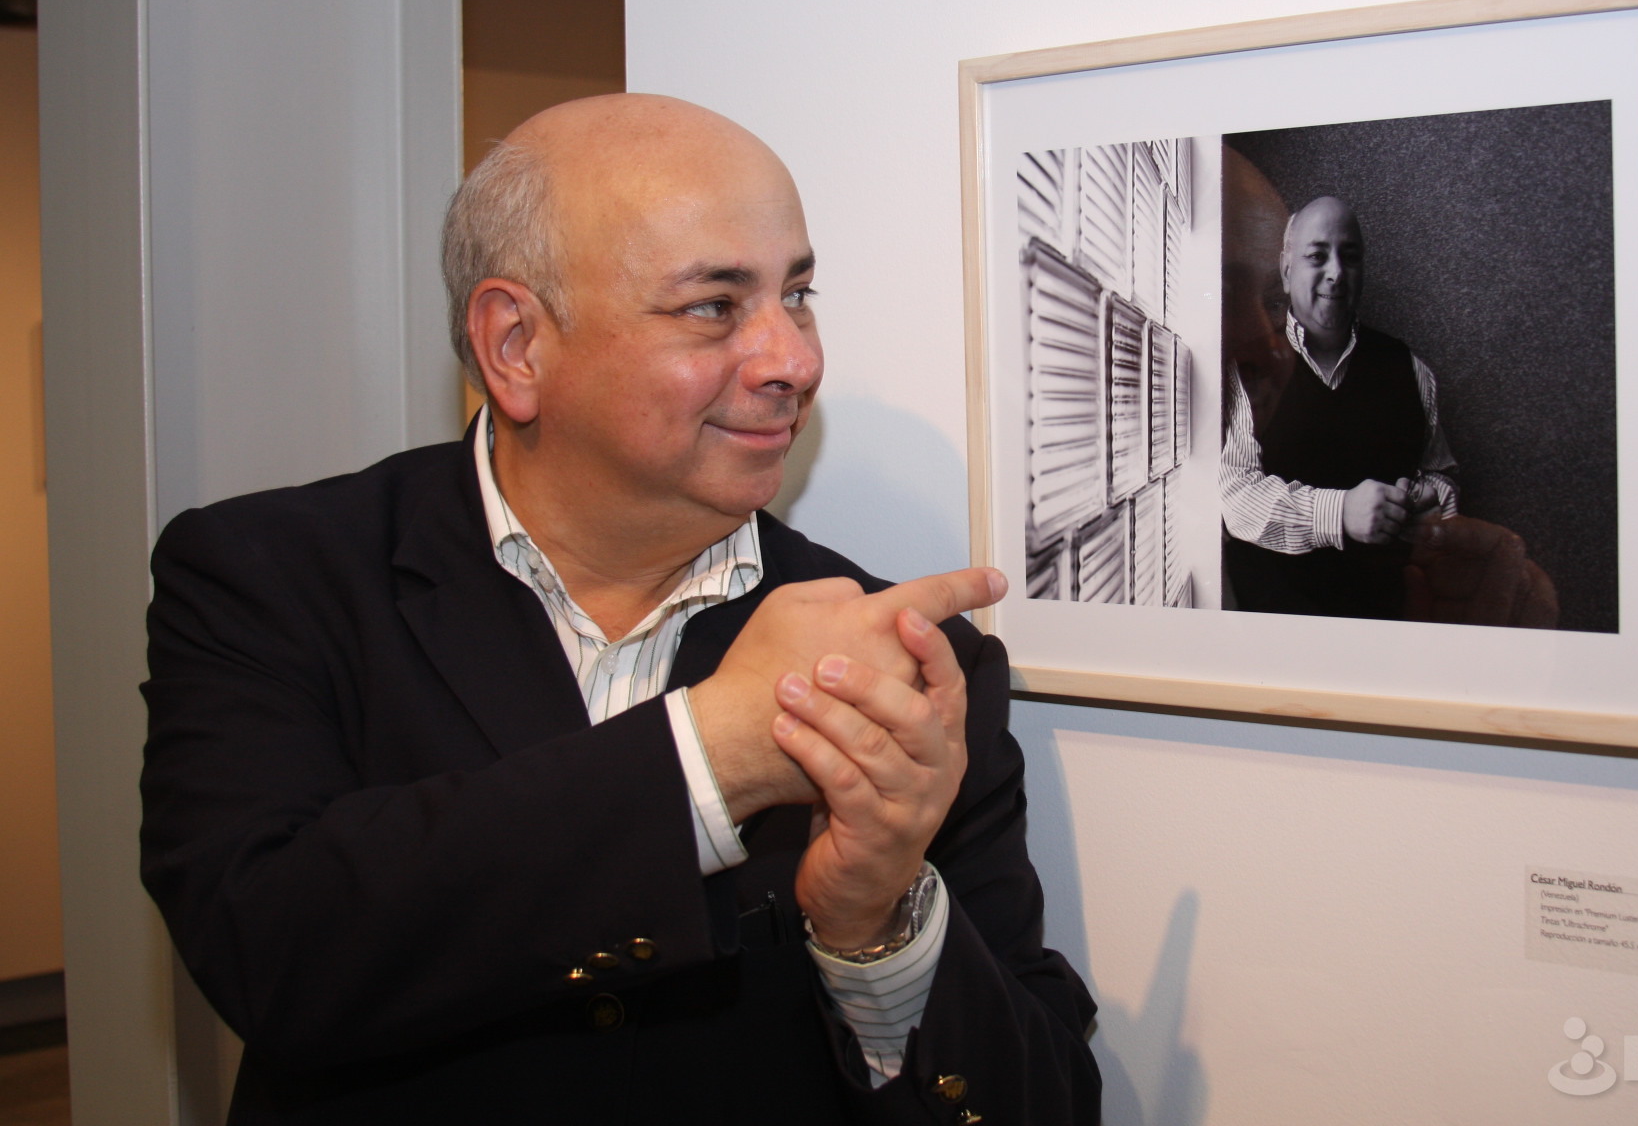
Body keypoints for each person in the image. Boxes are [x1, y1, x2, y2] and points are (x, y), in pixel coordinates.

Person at [139, 95, 1100, 1125]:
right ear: (516, 344)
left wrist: (877, 929)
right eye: (714, 306)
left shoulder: (906, 661)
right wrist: (710, 756)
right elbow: (271, 948)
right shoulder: (276, 576)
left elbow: (1037, 1105)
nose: (794, 360)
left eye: (797, 294)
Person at [1220, 192, 1459, 619]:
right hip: (1275, 625)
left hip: (1385, 621)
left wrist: (1433, 505)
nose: (1336, 272)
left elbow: (1441, 475)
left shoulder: (1412, 369)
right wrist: (1340, 513)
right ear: (1286, 270)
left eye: (1350, 257)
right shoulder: (1247, 368)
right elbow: (1237, 500)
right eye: (1317, 256)